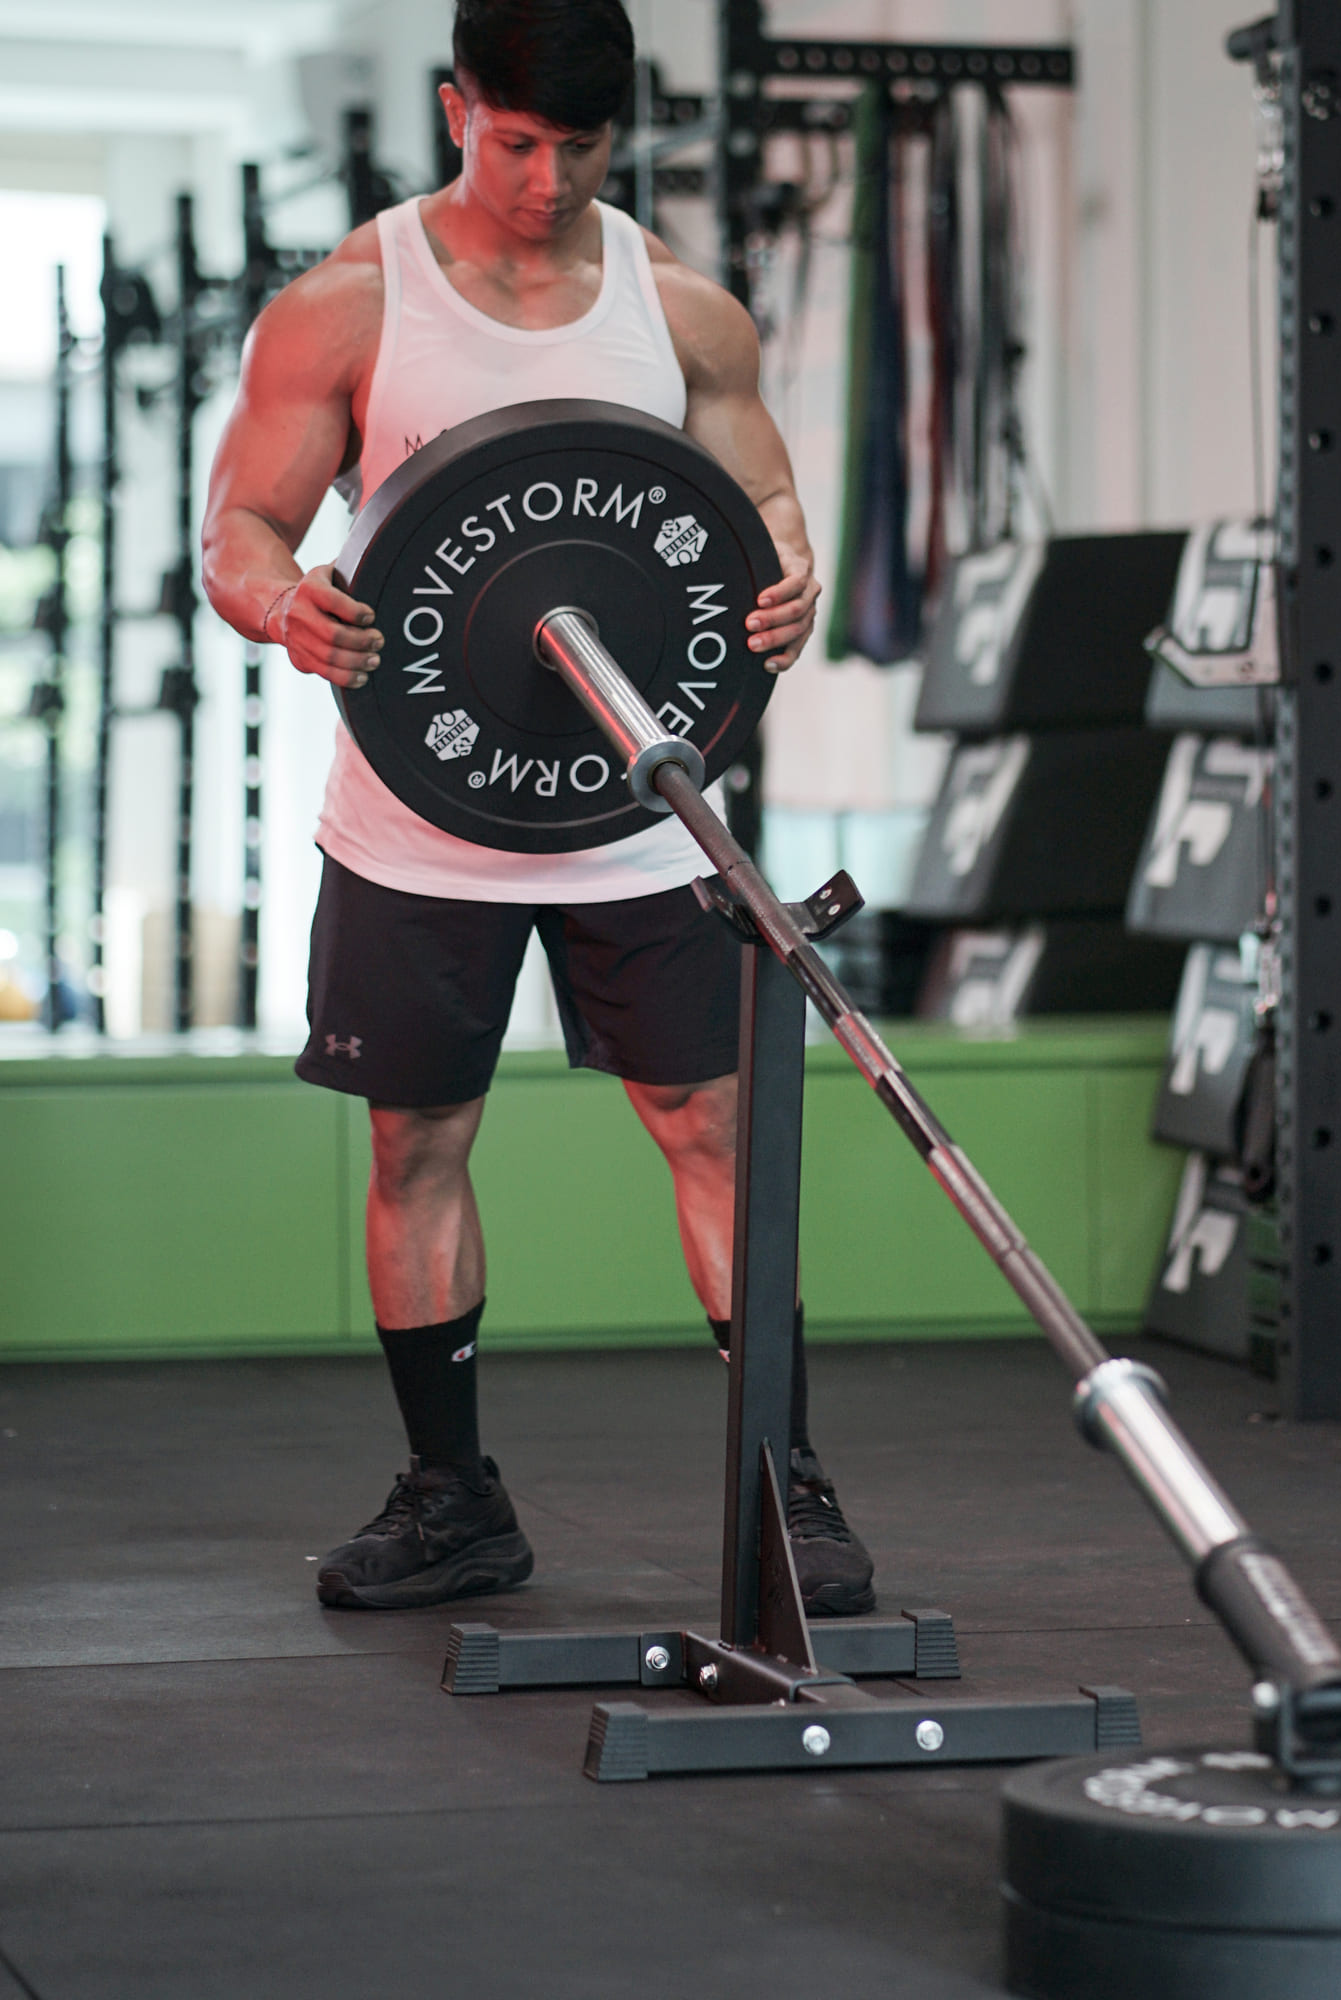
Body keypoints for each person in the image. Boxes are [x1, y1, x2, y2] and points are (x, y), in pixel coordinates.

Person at [201, 0, 874, 1616]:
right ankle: (452, 1499)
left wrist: (792, 578)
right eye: (517, 142)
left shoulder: (684, 312)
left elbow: (762, 510)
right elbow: (239, 531)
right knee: (419, 1138)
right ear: (458, 110)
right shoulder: (348, 306)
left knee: (711, 1125)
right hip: (420, 808)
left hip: (636, 808)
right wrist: (286, 606)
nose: (548, 180)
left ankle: (787, 1488)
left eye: (582, 148)